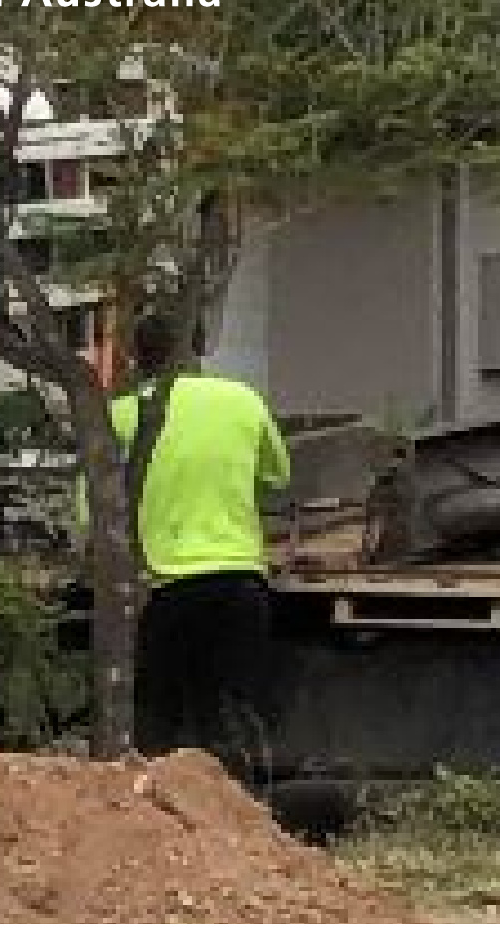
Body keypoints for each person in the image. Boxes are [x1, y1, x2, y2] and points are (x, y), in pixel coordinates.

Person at [109, 312, 290, 766]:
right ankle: (247, 815)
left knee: (157, 723)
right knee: (234, 712)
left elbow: (92, 510)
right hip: (240, 581)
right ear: (199, 350)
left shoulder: (120, 417)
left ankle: (158, 820)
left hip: (164, 589)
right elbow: (277, 476)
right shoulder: (243, 402)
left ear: (135, 357)